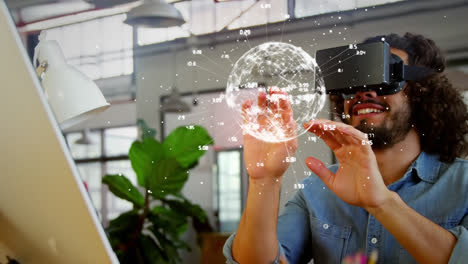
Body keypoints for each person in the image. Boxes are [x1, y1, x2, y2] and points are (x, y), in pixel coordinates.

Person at [223, 33, 468, 264]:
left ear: (423, 94)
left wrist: (382, 204)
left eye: (384, 76)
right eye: (354, 81)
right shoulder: (317, 191)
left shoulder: (463, 185)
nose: (364, 92)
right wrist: (264, 181)